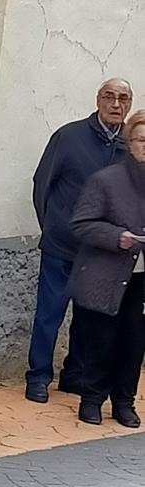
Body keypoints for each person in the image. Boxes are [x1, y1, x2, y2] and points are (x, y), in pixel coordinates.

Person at [26, 77, 133, 402]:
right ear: (98, 99)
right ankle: (38, 377)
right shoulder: (69, 136)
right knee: (49, 314)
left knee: (91, 317)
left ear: (130, 104)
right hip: (62, 247)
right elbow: (42, 183)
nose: (116, 104)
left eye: (123, 99)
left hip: (102, 251)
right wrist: (54, 227)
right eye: (109, 97)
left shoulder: (131, 144)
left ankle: (75, 375)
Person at [64, 109, 145, 428]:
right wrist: (118, 237)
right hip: (106, 277)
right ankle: (92, 399)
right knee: (102, 341)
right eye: (140, 139)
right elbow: (81, 224)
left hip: (141, 282)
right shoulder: (107, 180)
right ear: (129, 142)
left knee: (134, 342)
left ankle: (124, 402)